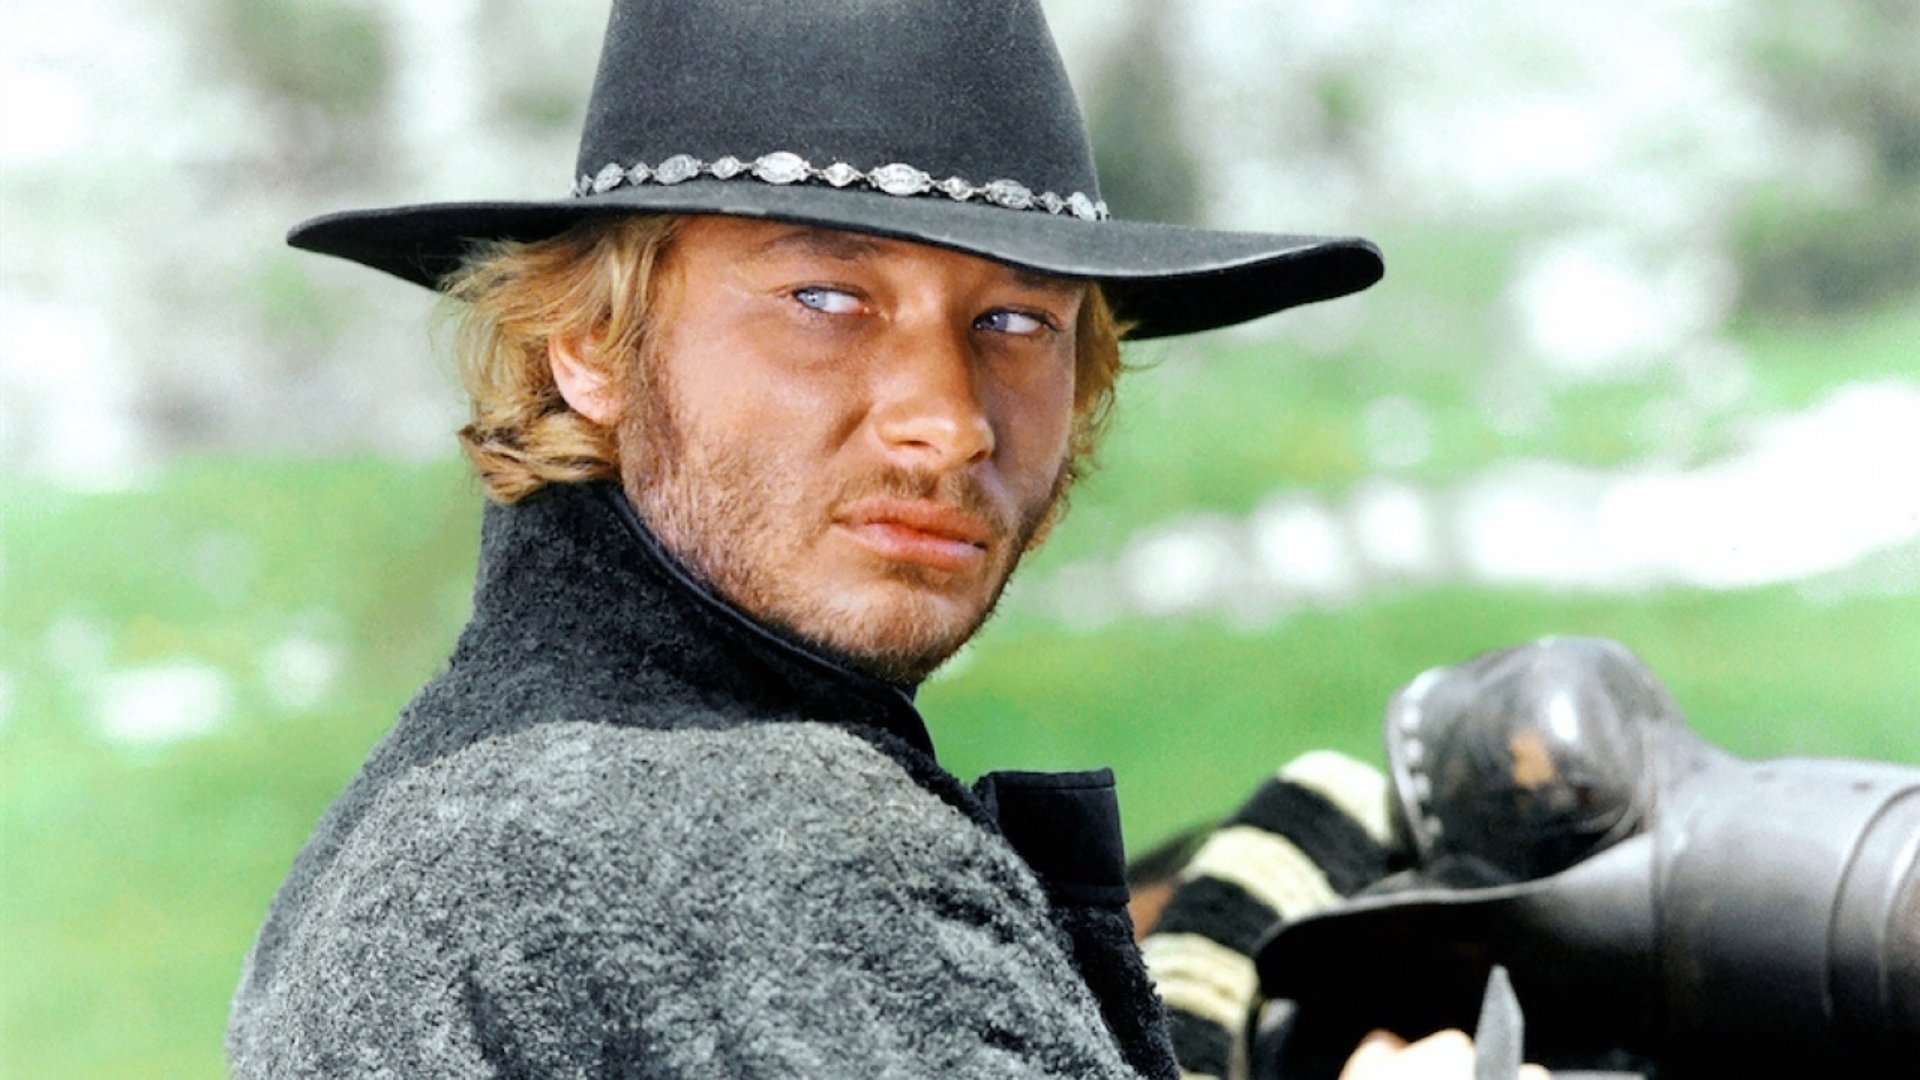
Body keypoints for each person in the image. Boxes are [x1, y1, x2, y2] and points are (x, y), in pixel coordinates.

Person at [228, 1, 1534, 1076]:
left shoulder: (428, 810)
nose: (948, 422)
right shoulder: (777, 845)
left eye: (1017, 321)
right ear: (590, 347)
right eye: (825, 297)